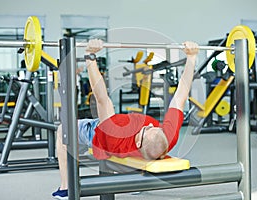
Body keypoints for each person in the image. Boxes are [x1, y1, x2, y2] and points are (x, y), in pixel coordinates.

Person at [52, 39, 199, 199]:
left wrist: (90, 56)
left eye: (147, 129)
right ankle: (133, 179)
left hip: (97, 135)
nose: (149, 124)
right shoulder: (167, 137)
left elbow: (101, 98)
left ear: (138, 142)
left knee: (62, 131)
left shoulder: (114, 133)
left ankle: (65, 187)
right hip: (127, 146)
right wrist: (192, 58)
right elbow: (181, 96)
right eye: (156, 127)